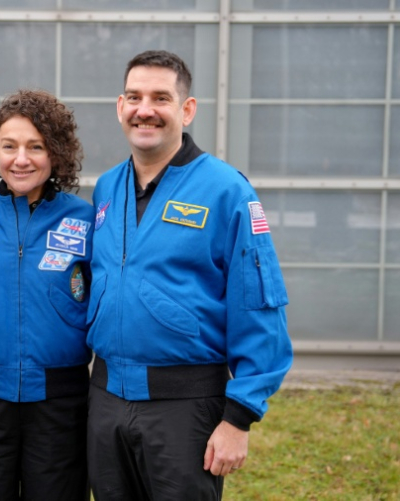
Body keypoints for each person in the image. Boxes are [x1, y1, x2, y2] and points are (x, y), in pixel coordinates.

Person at [86, 50, 293, 500]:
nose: (146, 110)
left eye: (161, 97)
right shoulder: (105, 188)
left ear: (187, 108)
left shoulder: (226, 190)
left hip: (184, 408)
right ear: (120, 106)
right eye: (135, 97)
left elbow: (258, 302)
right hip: (105, 401)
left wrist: (238, 419)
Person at [0, 89, 93, 501]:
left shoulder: (83, 218)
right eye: (8, 146)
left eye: (36, 146)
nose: (21, 159)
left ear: (57, 153)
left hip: (61, 403)